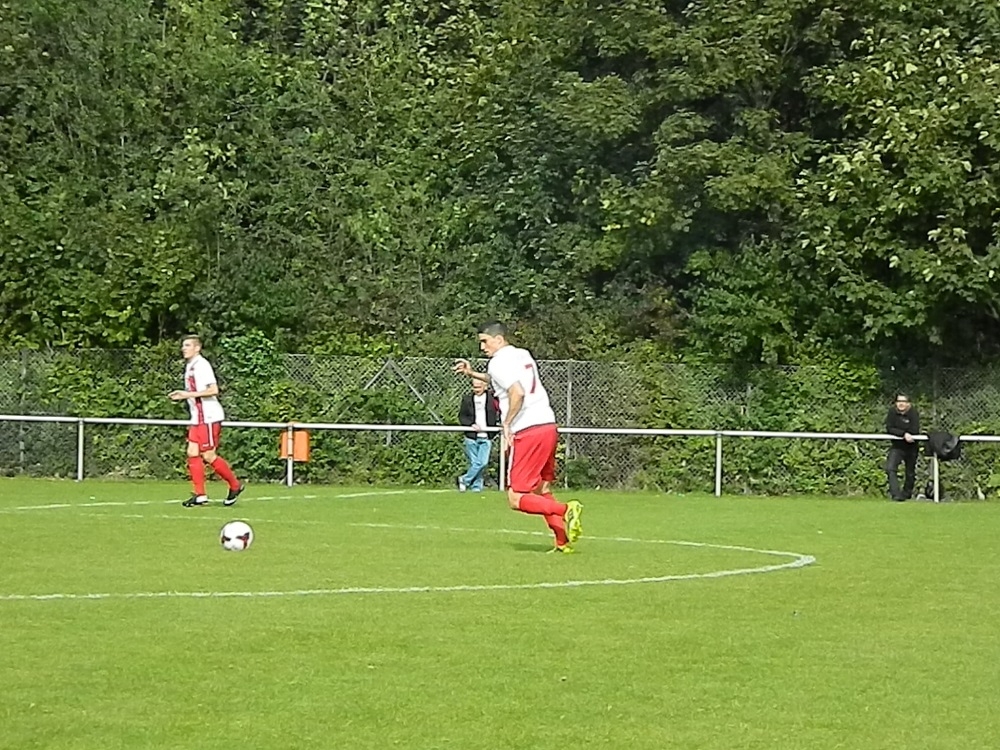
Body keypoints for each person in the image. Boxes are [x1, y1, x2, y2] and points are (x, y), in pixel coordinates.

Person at [453, 321, 583, 552]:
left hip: (528, 430)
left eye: (485, 341)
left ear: (498, 339)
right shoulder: (522, 354)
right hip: (548, 425)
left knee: (516, 498)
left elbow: (517, 392)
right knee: (542, 489)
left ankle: (566, 510)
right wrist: (471, 373)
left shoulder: (497, 362)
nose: (482, 347)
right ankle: (562, 541)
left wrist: (507, 423)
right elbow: (501, 381)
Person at [169, 335, 244, 507]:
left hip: (208, 417)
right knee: (192, 452)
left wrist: (186, 395)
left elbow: (213, 390)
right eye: (183, 345)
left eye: (188, 345)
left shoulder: (202, 365)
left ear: (197, 348)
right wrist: (183, 395)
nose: (183, 348)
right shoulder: (190, 366)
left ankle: (235, 485)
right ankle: (200, 494)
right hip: (197, 418)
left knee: (208, 455)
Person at [457, 378, 499, 492]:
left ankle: (464, 479)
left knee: (482, 463)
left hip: (486, 435)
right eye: (474, 387)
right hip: (471, 436)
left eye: (479, 387)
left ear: (485, 386)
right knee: (475, 463)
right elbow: (462, 416)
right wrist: (471, 424)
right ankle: (476, 487)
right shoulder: (467, 399)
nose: (476, 389)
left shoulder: (493, 399)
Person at [885, 392, 920, 501]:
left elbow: (914, 430)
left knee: (910, 472)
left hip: (911, 447)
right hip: (897, 446)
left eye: (903, 401)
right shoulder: (892, 412)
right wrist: (903, 434)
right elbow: (889, 428)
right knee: (890, 468)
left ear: (908, 403)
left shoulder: (913, 413)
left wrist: (907, 434)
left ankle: (907, 494)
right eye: (899, 401)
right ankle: (896, 495)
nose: (901, 404)